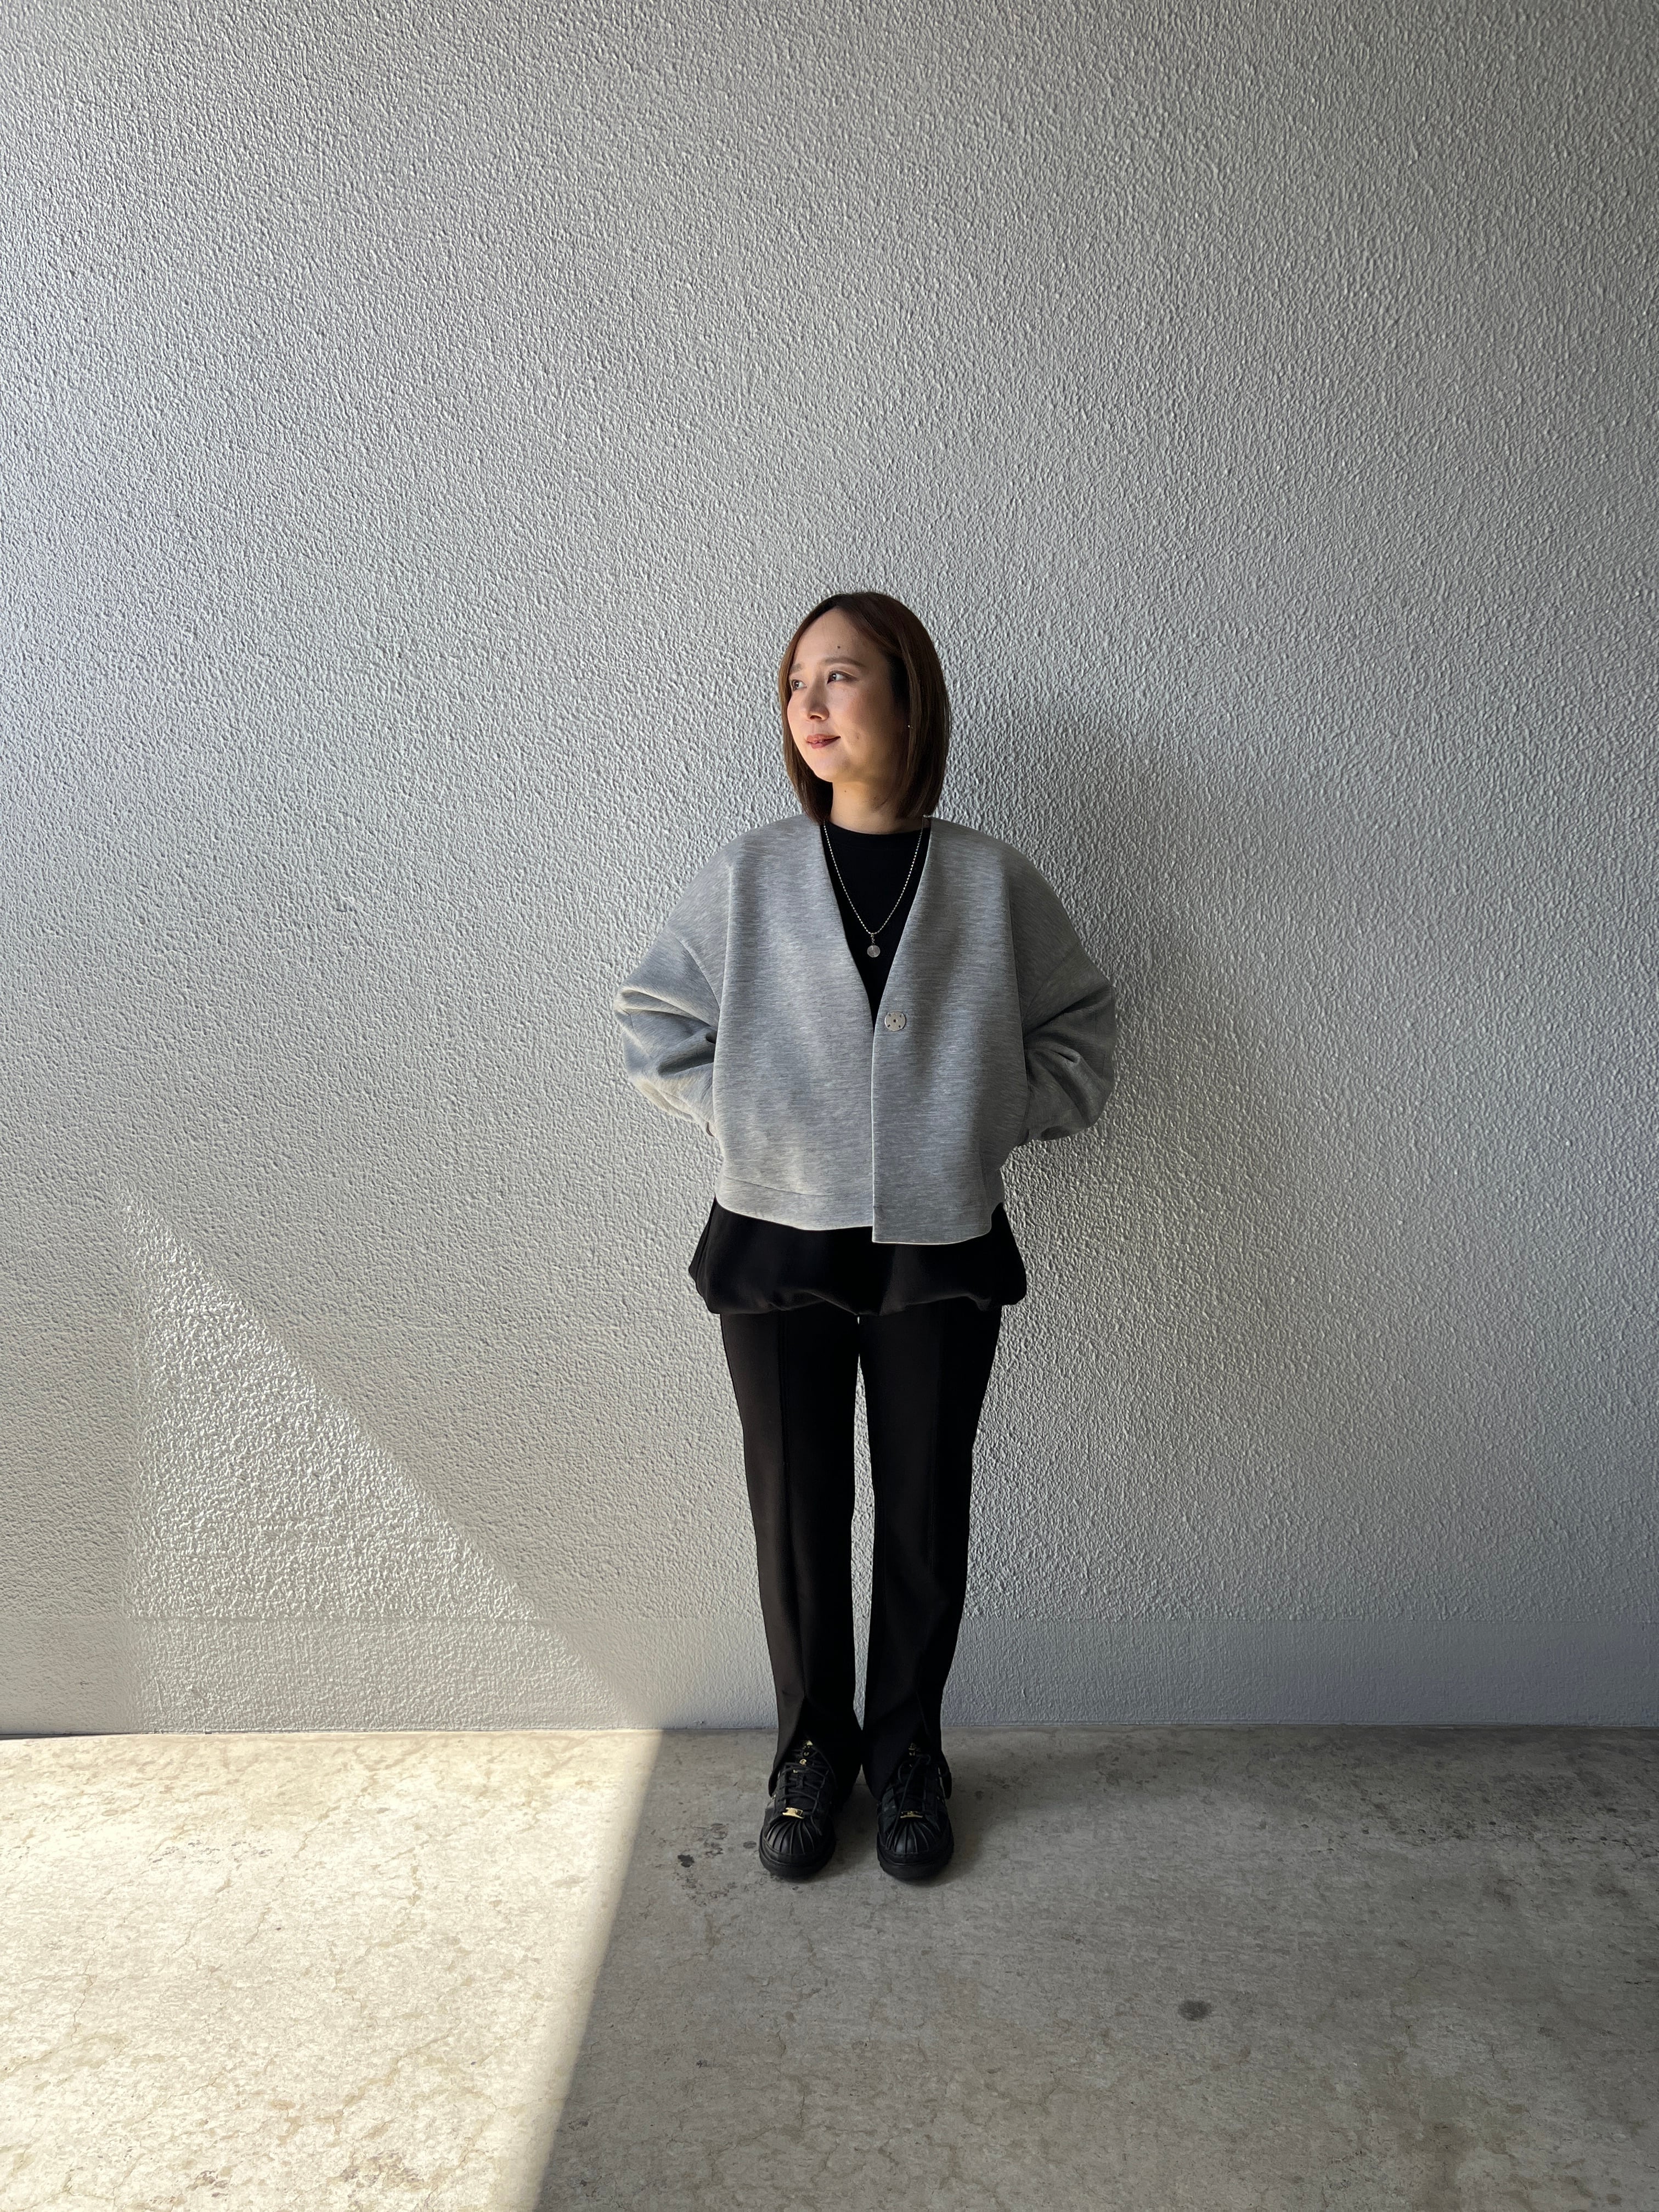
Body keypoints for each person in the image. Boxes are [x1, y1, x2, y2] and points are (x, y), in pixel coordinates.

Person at [613, 591, 1116, 1882]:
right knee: (796, 1511)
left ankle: (908, 1759)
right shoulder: (752, 875)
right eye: (795, 685)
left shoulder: (991, 882)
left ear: (908, 695)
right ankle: (809, 1756)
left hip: (938, 1242)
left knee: (924, 1509)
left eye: (839, 677)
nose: (811, 705)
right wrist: (749, 1115)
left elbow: (1080, 1031)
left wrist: (987, 1116)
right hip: (774, 1237)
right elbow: (655, 1024)